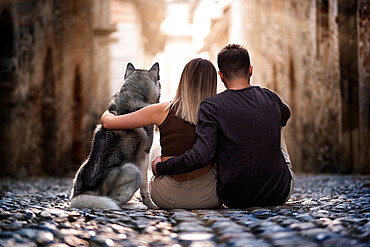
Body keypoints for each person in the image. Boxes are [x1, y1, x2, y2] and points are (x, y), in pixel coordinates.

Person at [152, 44, 295, 208]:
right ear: (250, 70)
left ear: (220, 75)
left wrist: (162, 167)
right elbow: (286, 114)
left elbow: (200, 156)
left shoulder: (212, 106)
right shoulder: (271, 97)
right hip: (279, 192)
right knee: (277, 120)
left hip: (234, 197)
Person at [101, 58, 221, 209]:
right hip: (209, 197)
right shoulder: (219, 112)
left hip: (166, 197)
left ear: (183, 80)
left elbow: (109, 123)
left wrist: (107, 112)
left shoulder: (162, 110)